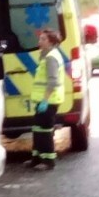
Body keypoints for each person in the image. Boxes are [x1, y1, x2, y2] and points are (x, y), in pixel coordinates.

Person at [26, 28, 67, 170]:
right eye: (40, 39)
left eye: (43, 39)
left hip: (49, 101)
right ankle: (36, 158)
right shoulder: (47, 55)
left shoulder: (51, 57)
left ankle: (49, 161)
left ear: (50, 42)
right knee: (37, 129)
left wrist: (45, 100)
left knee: (44, 130)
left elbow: (52, 81)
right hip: (44, 100)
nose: (39, 41)